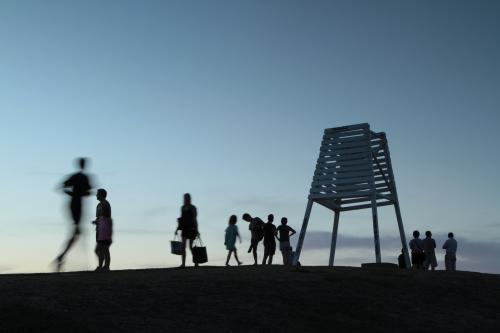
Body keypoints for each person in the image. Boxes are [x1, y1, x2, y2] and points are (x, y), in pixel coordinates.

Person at [55, 157, 93, 271]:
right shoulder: (80, 177)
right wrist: (76, 195)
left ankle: (61, 257)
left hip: (77, 206)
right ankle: (61, 257)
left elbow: (63, 188)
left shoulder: (81, 177)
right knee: (77, 232)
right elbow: (62, 187)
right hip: (75, 206)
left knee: (77, 233)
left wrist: (76, 194)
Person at [175, 193, 199, 268]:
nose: (185, 199)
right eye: (185, 198)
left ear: (189, 199)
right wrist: (177, 229)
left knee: (191, 247)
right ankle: (183, 264)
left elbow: (195, 219)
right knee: (183, 247)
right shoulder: (182, 207)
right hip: (184, 228)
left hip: (191, 228)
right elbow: (181, 219)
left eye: (186, 198)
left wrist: (196, 229)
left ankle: (196, 262)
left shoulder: (193, 208)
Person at [92, 189, 113, 272]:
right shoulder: (99, 205)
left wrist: (109, 231)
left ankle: (105, 267)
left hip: (105, 228)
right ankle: (102, 266)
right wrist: (96, 223)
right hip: (100, 228)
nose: (96, 195)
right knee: (99, 250)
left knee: (104, 249)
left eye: (97, 194)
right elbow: (99, 217)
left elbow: (107, 218)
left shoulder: (105, 204)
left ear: (101, 195)